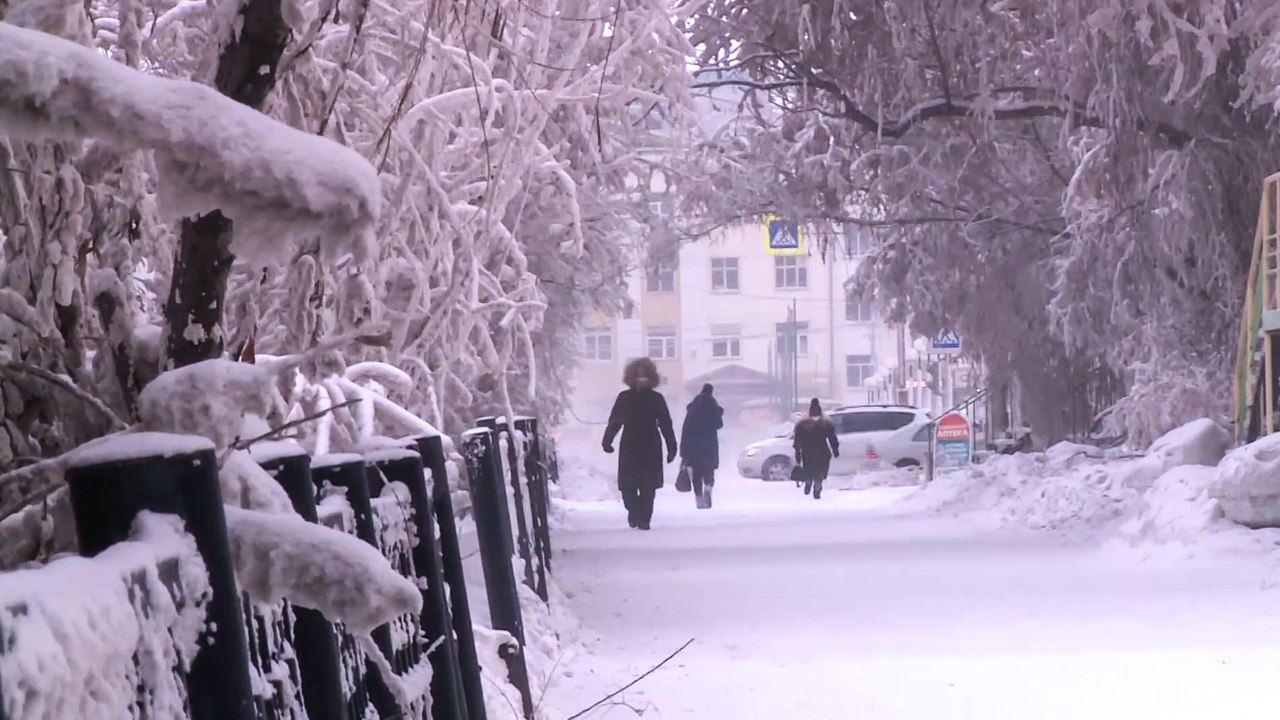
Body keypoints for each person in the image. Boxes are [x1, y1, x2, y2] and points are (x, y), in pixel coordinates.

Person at [602, 357, 677, 530]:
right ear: (631, 378)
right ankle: (633, 511)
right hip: (630, 444)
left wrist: (671, 447)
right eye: (637, 376)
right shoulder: (624, 398)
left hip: (651, 445)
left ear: (651, 378)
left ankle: (644, 518)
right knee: (627, 486)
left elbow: (666, 423)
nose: (641, 380)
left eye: (645, 376)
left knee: (648, 486)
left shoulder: (656, 398)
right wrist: (608, 441)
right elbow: (615, 421)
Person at [679, 383, 724, 509]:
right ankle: (708, 488)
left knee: (696, 473)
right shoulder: (713, 406)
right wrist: (719, 413)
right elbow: (719, 424)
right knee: (709, 470)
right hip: (709, 445)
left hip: (693, 447)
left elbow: (685, 429)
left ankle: (698, 498)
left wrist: (683, 451)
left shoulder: (693, 408)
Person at [793, 398, 839, 499]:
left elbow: (797, 441)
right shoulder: (826, 424)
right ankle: (817, 489)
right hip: (823, 452)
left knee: (809, 471)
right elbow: (832, 438)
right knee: (820, 473)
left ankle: (808, 483)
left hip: (807, 453)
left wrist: (798, 454)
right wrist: (835, 450)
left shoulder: (802, 425)